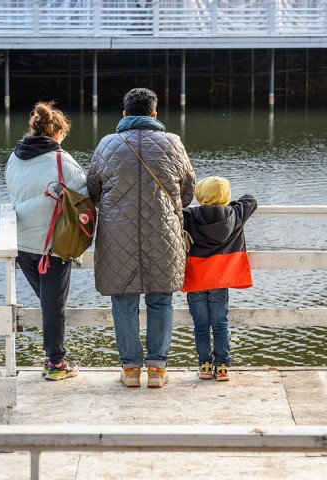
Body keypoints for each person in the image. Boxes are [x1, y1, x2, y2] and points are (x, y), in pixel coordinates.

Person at [87, 88, 195, 389]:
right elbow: (187, 192)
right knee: (161, 299)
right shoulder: (173, 143)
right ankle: (158, 370)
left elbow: (93, 190)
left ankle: (131, 369)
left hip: (116, 234)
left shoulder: (107, 144)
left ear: (124, 114)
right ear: (154, 114)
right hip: (163, 233)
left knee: (123, 300)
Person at [5, 101, 86, 381]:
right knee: (54, 306)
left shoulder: (14, 157)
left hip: (21, 245)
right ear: (57, 132)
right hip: (51, 246)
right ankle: (55, 363)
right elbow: (85, 194)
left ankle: (53, 355)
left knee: (49, 303)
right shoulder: (63, 160)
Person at [182, 176, 257, 381]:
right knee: (220, 323)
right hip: (220, 280)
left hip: (196, 279)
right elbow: (251, 199)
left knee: (201, 325)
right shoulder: (235, 214)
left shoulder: (189, 215)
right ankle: (222, 366)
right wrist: (227, 203)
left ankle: (205, 365)